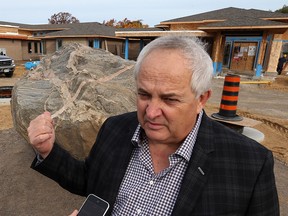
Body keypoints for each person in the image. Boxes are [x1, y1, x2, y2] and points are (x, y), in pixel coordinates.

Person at [28, 35, 279, 215]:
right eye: (144, 94)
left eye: (169, 99)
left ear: (201, 98)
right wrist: (48, 151)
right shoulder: (115, 128)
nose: (151, 112)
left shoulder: (250, 164)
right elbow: (89, 181)